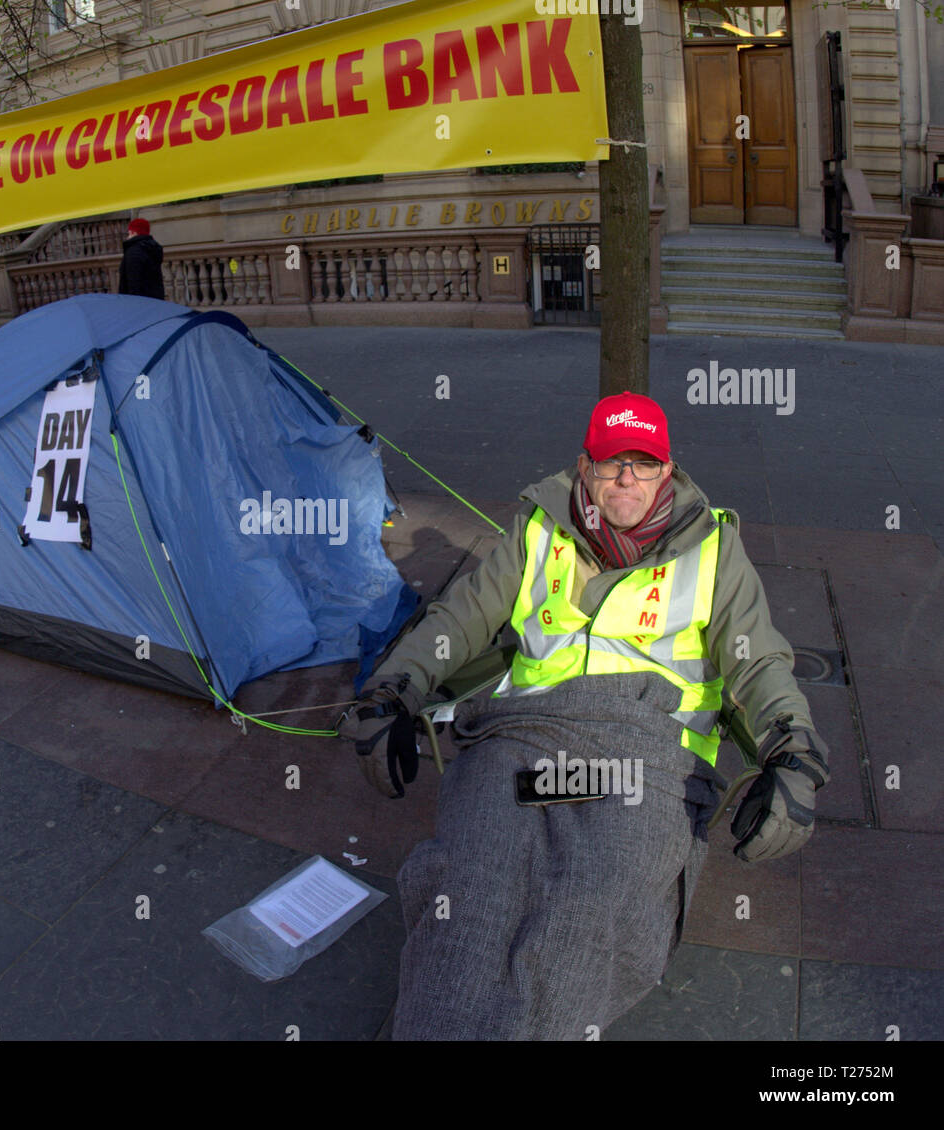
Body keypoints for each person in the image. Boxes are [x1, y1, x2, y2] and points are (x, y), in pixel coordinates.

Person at [338, 391, 829, 1040]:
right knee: (470, 892)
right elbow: (463, 617)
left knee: (582, 914)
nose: (627, 477)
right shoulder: (538, 529)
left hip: (645, 761)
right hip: (523, 742)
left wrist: (792, 753)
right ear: (584, 467)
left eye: (643, 463)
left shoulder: (714, 551)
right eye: (611, 462)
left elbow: (758, 662)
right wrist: (394, 689)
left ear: (668, 471)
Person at [118, 217, 166, 300]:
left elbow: (133, 281)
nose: (127, 237)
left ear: (134, 232)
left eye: (129, 234)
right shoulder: (153, 249)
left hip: (138, 302)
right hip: (155, 299)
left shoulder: (134, 251)